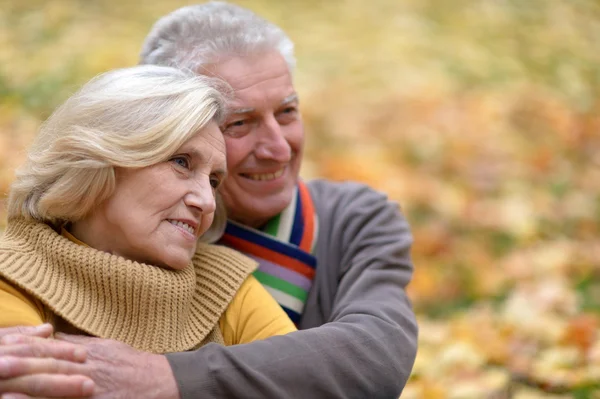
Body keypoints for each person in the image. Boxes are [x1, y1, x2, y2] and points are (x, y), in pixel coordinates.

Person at [0, 2, 418, 398]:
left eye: (287, 112)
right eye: (239, 123)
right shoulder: (25, 268)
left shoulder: (349, 219)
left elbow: (377, 348)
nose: (279, 148)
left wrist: (171, 379)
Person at [0, 64, 296, 396]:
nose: (207, 202)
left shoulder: (224, 286)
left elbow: (303, 384)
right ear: (102, 157)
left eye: (213, 181)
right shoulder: (12, 276)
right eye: (182, 162)